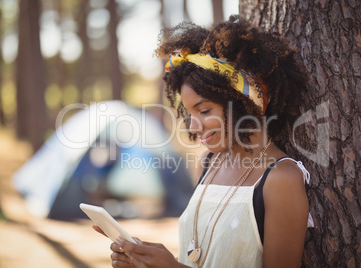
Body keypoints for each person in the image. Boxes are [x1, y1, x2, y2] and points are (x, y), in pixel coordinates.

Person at [94, 16, 314, 268]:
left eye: (204, 110)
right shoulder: (207, 164)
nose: (193, 126)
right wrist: (145, 261)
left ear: (245, 103)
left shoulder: (280, 179)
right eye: (189, 114)